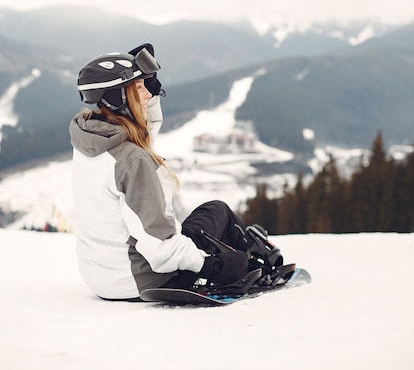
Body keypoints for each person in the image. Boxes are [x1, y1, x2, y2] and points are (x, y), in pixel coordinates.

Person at [69, 43, 284, 301]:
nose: (147, 95)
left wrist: (150, 87)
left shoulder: (92, 142)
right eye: (139, 89)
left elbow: (141, 135)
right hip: (142, 279)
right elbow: (160, 247)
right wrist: (211, 266)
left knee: (200, 223)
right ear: (118, 99)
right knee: (218, 213)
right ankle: (255, 267)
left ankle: (243, 260)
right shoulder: (133, 161)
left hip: (102, 278)